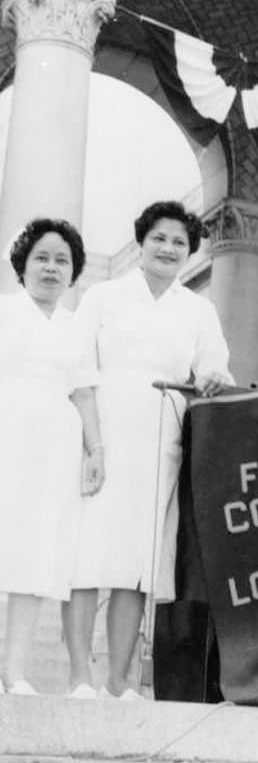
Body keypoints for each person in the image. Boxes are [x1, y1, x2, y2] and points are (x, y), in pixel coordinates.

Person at [63, 200, 233, 700]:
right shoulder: (103, 297)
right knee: (87, 559)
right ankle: (79, 676)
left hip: (161, 443)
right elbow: (81, 372)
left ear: (189, 253)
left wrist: (214, 378)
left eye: (179, 242)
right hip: (103, 438)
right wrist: (92, 445)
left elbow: (212, 367)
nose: (168, 248)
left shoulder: (198, 309)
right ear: (142, 241)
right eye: (159, 238)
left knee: (137, 569)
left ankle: (119, 679)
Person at [0, 218, 104, 695]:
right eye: (42, 257)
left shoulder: (75, 328)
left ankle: (13, 670)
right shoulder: (4, 313)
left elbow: (83, 393)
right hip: (8, 438)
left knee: (33, 556)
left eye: (62, 260)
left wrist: (94, 449)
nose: (51, 267)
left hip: (54, 451)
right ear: (23, 263)